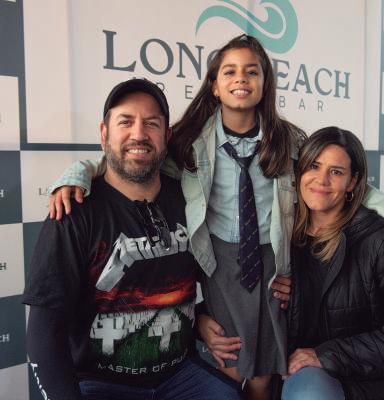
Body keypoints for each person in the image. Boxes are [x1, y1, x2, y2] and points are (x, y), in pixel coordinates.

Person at [47, 36, 384, 399]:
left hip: (271, 258)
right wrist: (78, 174)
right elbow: (132, 160)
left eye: (252, 72)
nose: (241, 79)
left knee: (265, 367)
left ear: (266, 84)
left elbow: (340, 176)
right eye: (230, 71)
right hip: (219, 261)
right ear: (214, 85)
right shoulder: (190, 142)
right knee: (231, 356)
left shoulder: (287, 139)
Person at [23, 78, 243, 400]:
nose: (139, 134)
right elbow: (44, 331)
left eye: (151, 123)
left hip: (180, 376)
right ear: (104, 134)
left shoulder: (192, 199)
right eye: (125, 122)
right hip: (100, 383)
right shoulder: (74, 211)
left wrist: (202, 318)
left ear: (167, 136)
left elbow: (222, 275)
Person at [282, 127, 384, 400]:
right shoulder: (282, 234)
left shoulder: (379, 239)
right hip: (294, 370)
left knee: (309, 392)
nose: (321, 180)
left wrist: (327, 355)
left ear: (352, 182)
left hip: (372, 384)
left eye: (336, 172)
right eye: (314, 166)